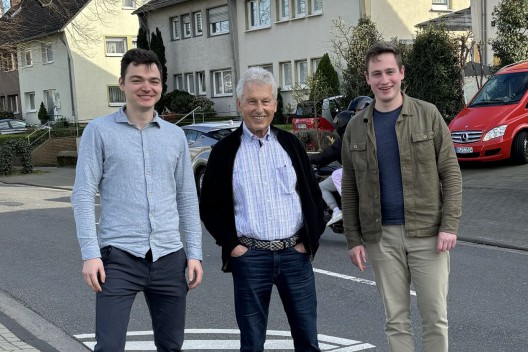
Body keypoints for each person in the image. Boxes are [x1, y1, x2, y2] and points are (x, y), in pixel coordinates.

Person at [71, 48, 203, 352]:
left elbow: (187, 197)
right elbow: (82, 194)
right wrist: (91, 254)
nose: (147, 87)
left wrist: (194, 253)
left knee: (171, 346)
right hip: (119, 258)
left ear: (161, 85)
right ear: (122, 84)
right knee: (109, 346)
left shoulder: (175, 136)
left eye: (154, 81)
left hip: (170, 257)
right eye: (137, 80)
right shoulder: (99, 131)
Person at [341, 42, 462, 352]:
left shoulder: (428, 115)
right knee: (395, 319)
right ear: (367, 78)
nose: (385, 80)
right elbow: (350, 187)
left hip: (428, 233)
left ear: (402, 73)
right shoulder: (356, 128)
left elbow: (450, 173)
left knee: (435, 316)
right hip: (381, 237)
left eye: (390, 71)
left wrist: (450, 224)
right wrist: (353, 239)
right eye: (377, 73)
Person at [199, 67, 326, 352]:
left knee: (308, 340)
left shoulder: (290, 145)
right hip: (250, 257)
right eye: (252, 101)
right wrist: (232, 245)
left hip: (295, 255)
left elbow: (313, 197)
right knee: (253, 343)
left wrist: (309, 240)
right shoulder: (224, 152)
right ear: (239, 104)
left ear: (275, 105)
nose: (260, 108)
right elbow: (209, 207)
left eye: (266, 101)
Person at [310, 96, 372, 226]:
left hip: (357, 174)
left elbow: (325, 156)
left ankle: (339, 210)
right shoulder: (370, 132)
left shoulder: (345, 140)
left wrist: (306, 159)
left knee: (323, 185)